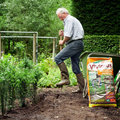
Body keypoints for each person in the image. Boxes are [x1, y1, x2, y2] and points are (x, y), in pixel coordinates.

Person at [55, 8, 85, 94]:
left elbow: (68, 36)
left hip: (74, 44)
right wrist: (63, 34)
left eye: (60, 17)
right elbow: (71, 33)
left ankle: (65, 79)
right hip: (78, 44)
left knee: (58, 58)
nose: (60, 19)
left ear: (64, 13)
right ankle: (82, 88)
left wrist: (62, 41)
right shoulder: (72, 20)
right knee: (75, 66)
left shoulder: (68, 20)